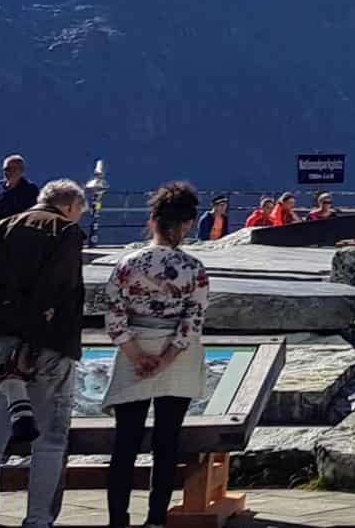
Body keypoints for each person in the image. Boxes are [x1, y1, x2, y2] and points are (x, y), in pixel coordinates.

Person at [0, 178, 89, 528]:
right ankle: (37, 520)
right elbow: (57, 288)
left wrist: (7, 309)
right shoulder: (66, 232)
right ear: (71, 207)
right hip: (50, 343)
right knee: (50, 437)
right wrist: (33, 322)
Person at [103, 182, 210, 527]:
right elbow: (193, 320)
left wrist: (136, 355)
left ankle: (118, 518)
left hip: (135, 350)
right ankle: (156, 518)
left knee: (126, 443)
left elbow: (114, 314)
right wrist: (165, 359)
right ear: (185, 225)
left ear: (153, 221)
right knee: (167, 443)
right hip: (176, 359)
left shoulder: (127, 264)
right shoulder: (194, 269)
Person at [0, 155, 39, 227]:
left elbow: (34, 214)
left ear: (21, 170)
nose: (8, 172)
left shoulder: (30, 189)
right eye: (6, 169)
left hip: (16, 234)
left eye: (13, 169)